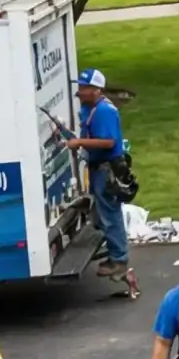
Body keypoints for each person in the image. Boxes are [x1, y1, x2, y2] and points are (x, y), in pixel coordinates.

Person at [66, 68, 130, 277]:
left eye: (84, 88)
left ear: (96, 90)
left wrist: (80, 142)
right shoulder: (89, 107)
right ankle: (114, 254)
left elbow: (109, 141)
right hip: (98, 169)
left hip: (106, 170)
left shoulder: (105, 112)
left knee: (110, 214)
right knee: (103, 214)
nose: (79, 92)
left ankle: (119, 260)